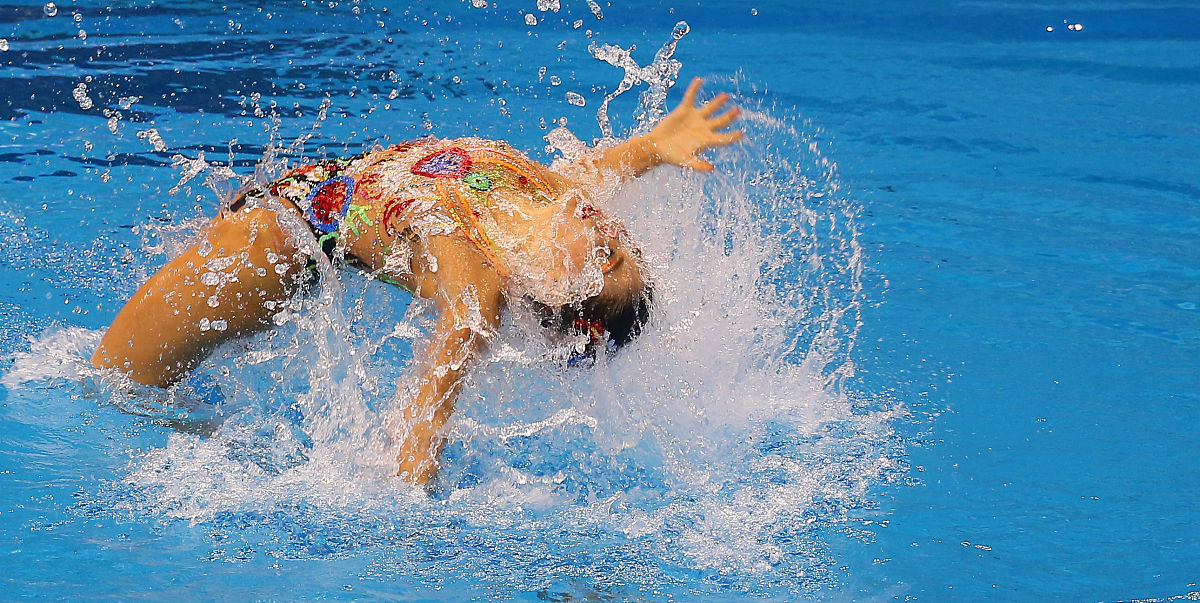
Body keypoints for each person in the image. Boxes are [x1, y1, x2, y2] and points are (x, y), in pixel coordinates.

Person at [90, 78, 742, 483]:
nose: (614, 234)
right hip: (282, 222)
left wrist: (411, 477)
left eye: (609, 259)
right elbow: (593, 173)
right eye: (626, 246)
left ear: (558, 289)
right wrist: (656, 145)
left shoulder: (481, 276)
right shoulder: (545, 201)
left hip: (265, 249)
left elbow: (457, 343)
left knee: (107, 385)